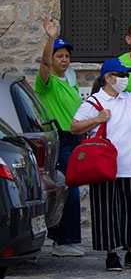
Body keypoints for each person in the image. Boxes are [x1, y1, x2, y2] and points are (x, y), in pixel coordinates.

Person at [70, 57, 131, 272]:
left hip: (129, 165)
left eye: (126, 75)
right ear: (108, 78)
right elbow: (75, 127)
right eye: (121, 75)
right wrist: (97, 119)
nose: (124, 79)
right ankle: (111, 253)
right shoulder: (94, 102)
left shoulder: (128, 99)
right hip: (104, 166)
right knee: (106, 209)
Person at [34, 16, 84, 257]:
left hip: (75, 139)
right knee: (70, 188)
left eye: (66, 56)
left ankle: (60, 237)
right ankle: (64, 242)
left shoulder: (70, 81)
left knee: (67, 188)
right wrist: (51, 38)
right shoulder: (47, 82)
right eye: (59, 56)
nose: (63, 60)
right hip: (60, 139)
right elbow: (43, 64)